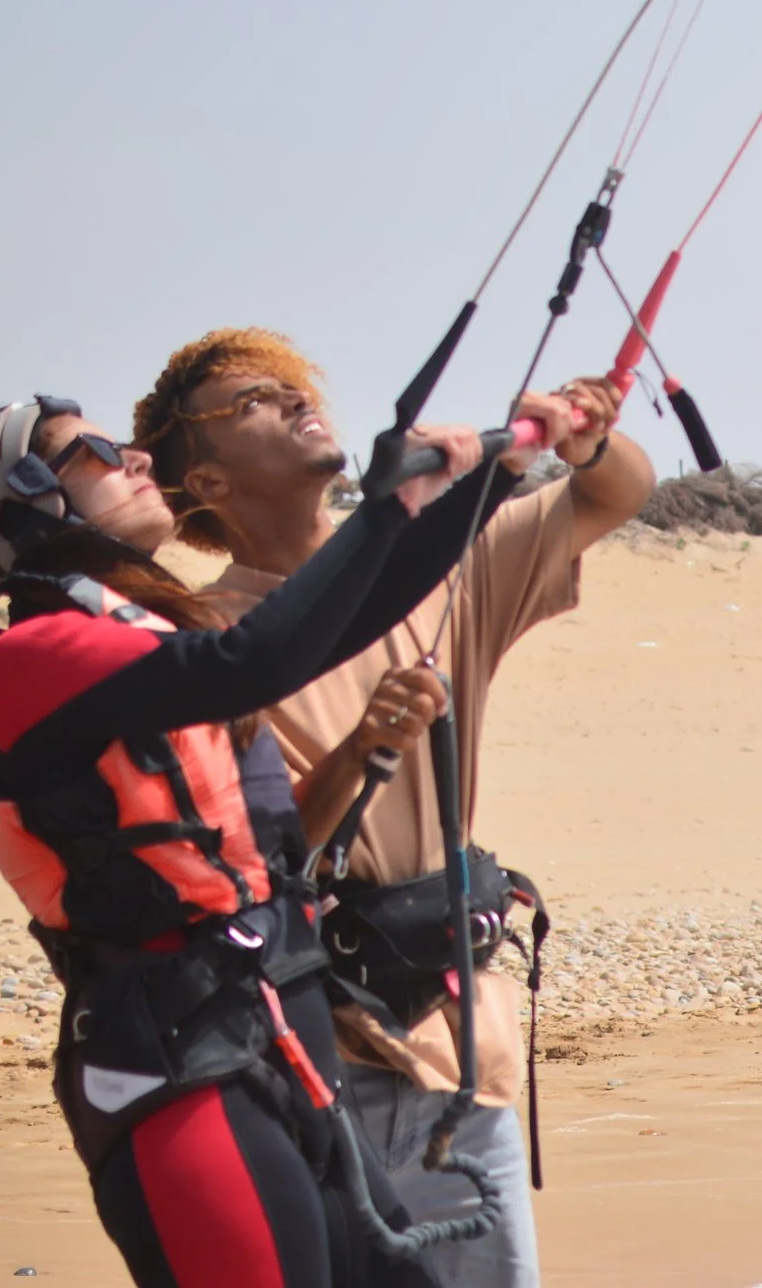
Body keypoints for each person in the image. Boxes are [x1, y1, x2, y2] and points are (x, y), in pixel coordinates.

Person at [0, 390, 538, 1286]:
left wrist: (487, 481)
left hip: (280, 1034)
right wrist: (388, 507)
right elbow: (255, 662)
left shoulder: (141, 630)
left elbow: (352, 615)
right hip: (177, 1069)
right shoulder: (25, 652)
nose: (134, 457)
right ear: (27, 501)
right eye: (92, 451)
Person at [133, 328, 656, 1288]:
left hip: (463, 1045)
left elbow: (615, 493)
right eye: (253, 401)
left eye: (293, 385)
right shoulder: (202, 643)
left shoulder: (437, 567)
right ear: (204, 482)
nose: (296, 400)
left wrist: (585, 439)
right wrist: (359, 750)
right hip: (319, 1052)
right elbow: (251, 857)